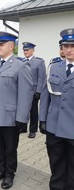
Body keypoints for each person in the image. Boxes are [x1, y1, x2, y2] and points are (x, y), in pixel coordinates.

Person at [0, 31, 33, 189]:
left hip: (11, 116)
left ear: (11, 46)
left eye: (1, 44)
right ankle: (1, 170)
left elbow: (26, 94)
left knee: (10, 148)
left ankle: (10, 174)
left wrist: (22, 117)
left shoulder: (21, 65)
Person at [39, 28, 74, 190]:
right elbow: (45, 95)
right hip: (54, 127)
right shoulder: (54, 66)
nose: (68, 50)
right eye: (66, 46)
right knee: (56, 164)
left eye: (72, 46)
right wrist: (43, 119)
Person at [19, 42, 46, 138]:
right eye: (24, 50)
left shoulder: (39, 62)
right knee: (23, 110)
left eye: (27, 50)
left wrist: (38, 91)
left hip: (33, 91)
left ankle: (33, 130)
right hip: (23, 91)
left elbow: (41, 78)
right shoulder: (21, 61)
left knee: (33, 111)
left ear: (33, 50)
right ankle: (23, 127)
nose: (25, 52)